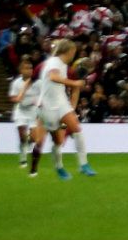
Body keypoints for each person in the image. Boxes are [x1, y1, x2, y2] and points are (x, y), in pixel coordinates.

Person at [27, 40, 92, 179]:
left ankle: (84, 164)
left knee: (76, 129)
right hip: (47, 106)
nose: (74, 55)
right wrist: (75, 82)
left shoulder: (64, 66)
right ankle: (55, 167)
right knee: (55, 141)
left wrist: (72, 109)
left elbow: (74, 90)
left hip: (61, 103)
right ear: (67, 51)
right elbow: (53, 77)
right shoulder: (53, 62)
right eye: (73, 52)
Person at [9, 57, 38, 167]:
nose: (29, 70)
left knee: (34, 138)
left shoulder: (37, 83)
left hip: (33, 111)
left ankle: (29, 142)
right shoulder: (16, 83)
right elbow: (12, 97)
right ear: (21, 70)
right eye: (26, 68)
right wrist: (17, 99)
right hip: (20, 110)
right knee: (22, 135)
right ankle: (23, 157)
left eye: (30, 68)